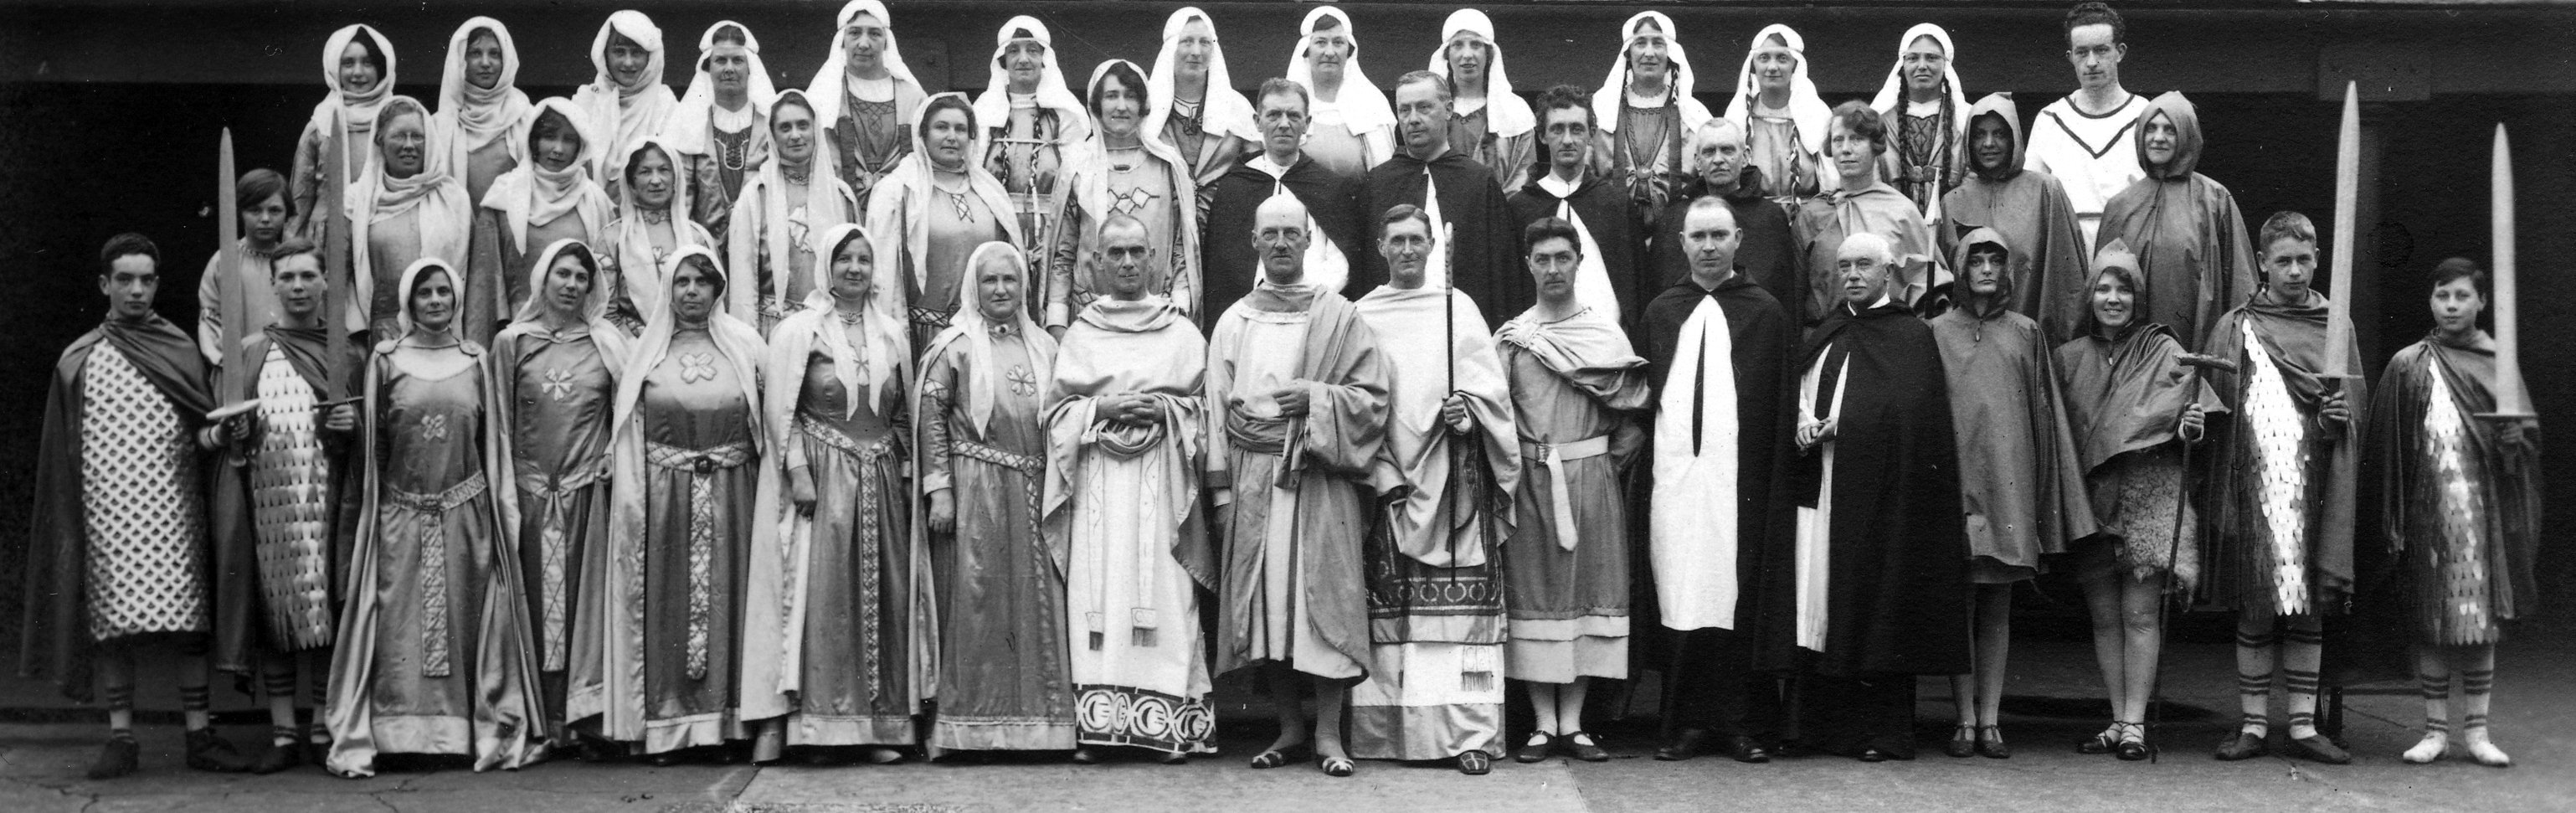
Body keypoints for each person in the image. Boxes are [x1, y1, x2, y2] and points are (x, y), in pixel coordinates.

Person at [23, 234, 255, 779]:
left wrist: (223, 437)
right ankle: (121, 736)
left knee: (190, 624)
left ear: (157, 283)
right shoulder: (78, 360)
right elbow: (64, 453)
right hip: (105, 513)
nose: (135, 289)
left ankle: (200, 734)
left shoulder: (179, 348)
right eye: (124, 279)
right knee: (112, 626)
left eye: (145, 279)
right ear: (105, 284)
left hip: (176, 510)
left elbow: (201, 435)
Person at [323, 257, 547, 777]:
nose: (435, 301)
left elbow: (491, 443)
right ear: (408, 300)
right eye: (424, 292)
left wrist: (491, 513)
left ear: (456, 297)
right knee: (398, 629)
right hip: (401, 515)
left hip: (465, 515)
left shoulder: (475, 360)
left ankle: (461, 735)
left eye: (444, 291)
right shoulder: (386, 360)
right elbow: (374, 447)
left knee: (466, 624)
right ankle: (399, 735)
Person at [1756, 233, 1971, 762]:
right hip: (1820, 489)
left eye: (1864, 265)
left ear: (1889, 272)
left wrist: (1847, 428)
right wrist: (1804, 425)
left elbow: (1911, 419)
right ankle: (1809, 729)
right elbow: (1799, 393)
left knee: (1872, 601)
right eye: (1844, 265)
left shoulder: (1910, 337)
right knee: (1818, 600)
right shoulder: (1824, 330)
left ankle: (1877, 733)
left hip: (1880, 501)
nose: (1852, 274)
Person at [1207, 193, 1391, 777]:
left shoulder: (1339, 314)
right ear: (1254, 243)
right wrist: (1220, 492)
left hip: (1320, 476)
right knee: (1271, 611)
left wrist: (1317, 399)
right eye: (1271, 234)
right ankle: (1289, 729)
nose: (1282, 242)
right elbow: (1214, 412)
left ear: (1309, 239)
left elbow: (1372, 398)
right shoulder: (1234, 320)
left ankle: (1330, 737)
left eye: (1292, 232)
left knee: (1324, 607)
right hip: (1256, 477)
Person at [584, 246, 779, 764]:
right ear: (668, 289)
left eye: (703, 282)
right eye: (682, 282)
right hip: (664, 497)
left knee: (731, 603)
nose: (692, 292)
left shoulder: (747, 346)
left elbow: (770, 426)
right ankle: (668, 729)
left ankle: (725, 727)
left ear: (719, 289)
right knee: (666, 609)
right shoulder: (645, 351)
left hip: (733, 495)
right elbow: (627, 427)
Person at [1350, 206, 1519, 775]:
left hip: (1452, 480)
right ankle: (1389, 733)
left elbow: (1491, 394)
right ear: (1379, 245)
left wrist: (1467, 413)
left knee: (1457, 621)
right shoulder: (1361, 314)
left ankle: (1468, 733)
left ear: (1431, 246)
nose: (1405, 250)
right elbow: (1354, 394)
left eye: (1415, 240)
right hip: (1390, 479)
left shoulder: (1458, 309)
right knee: (1393, 616)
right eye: (1395, 239)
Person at [1041, 214, 1217, 763]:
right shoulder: (1081, 332)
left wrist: (1165, 408)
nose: (1126, 262)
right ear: (1094, 262)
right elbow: (1054, 414)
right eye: (1114, 252)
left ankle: (1165, 727)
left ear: (1155, 259)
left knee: (1164, 594)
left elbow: (1204, 409)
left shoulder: (1182, 332)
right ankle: (1099, 729)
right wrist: (1103, 406)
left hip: (1161, 483)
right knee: (1099, 595)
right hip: (1098, 482)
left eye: (1136, 251)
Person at [2198, 212, 2366, 765]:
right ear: (2264, 263)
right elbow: (2212, 396)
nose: (2293, 270)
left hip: (2311, 481)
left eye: (2303, 259)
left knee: (2305, 603)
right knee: (2254, 601)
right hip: (2251, 478)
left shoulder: (2334, 326)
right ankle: (2250, 724)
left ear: (2317, 259)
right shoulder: (2235, 325)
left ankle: (2299, 724)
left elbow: (2352, 409)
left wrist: (2339, 416)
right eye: (2282, 261)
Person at [761, 224, 930, 764]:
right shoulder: (798, 331)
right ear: (827, 268)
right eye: (843, 260)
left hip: (879, 474)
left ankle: (879, 728)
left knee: (882, 594)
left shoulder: (892, 331)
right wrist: (797, 470)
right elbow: (781, 409)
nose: (854, 269)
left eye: (863, 259)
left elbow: (902, 409)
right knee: (827, 597)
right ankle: (822, 728)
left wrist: (905, 468)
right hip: (825, 470)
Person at [1928, 229, 2096, 759]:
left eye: (1993, 261)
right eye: (1974, 260)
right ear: (1959, 267)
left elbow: (2043, 416)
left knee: (1997, 602)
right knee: (1958, 604)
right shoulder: (1933, 332)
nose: (1984, 269)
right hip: (1954, 481)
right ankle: (1964, 716)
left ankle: (1992, 720)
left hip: (2006, 482)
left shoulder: (2026, 333)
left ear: (2007, 272)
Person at [2365, 258, 2540, 769]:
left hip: (2481, 515)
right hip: (2427, 511)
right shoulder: (2408, 364)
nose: (2452, 305)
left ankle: (2478, 732)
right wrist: (2395, 511)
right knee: (2431, 619)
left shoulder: (2496, 363)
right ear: (2431, 301)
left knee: (2478, 623)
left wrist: (2513, 443)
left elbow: (2524, 448)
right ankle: (2435, 730)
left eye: (2463, 296)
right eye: (2443, 296)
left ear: (2482, 302)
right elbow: (2388, 447)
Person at [1638, 198, 1795, 764]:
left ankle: (1742, 724)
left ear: (1737, 241)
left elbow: (1778, 407)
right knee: (1680, 587)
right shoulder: (1661, 311)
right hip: (1675, 477)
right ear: (1681, 242)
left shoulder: (1765, 312)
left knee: (1737, 591)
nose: (1708, 246)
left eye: (1718, 235)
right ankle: (1683, 722)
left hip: (1740, 481)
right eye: (1697, 236)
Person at [1496, 217, 1650, 766]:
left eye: (1563, 257)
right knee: (1537, 592)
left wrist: (1610, 452)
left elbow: (1631, 409)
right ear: (1529, 264)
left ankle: (1575, 721)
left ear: (1578, 261)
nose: (1554, 268)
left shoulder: (1602, 332)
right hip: (1532, 483)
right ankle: (1542, 723)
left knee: (1587, 590)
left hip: (1589, 480)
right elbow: (1497, 415)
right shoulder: (1513, 337)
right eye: (1543, 258)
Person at [2054, 241, 2215, 762]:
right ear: (2090, 296)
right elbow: (2063, 433)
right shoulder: (2069, 359)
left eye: (2124, 288)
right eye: (2103, 287)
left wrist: (2192, 427)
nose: (2113, 297)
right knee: (2104, 618)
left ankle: (2135, 725)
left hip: (2150, 493)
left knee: (2140, 615)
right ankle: (2117, 718)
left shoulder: (2165, 351)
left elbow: (2190, 423)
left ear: (2138, 295)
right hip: (2093, 497)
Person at [209, 239, 365, 774]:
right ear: (272, 286)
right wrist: (235, 432)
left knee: (327, 611)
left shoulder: (350, 352)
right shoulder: (250, 351)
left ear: (326, 283)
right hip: (267, 495)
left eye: (307, 276)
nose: (298, 287)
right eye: (288, 278)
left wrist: (355, 429)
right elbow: (220, 434)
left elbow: (374, 435)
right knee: (276, 612)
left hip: (328, 497)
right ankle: (282, 733)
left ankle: (322, 725)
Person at [917, 242, 1076, 755]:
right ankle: (969, 728)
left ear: (1023, 286)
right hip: (976, 487)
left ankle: (1039, 728)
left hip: (1033, 488)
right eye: (990, 281)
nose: (1001, 289)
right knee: (978, 602)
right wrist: (939, 488)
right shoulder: (954, 346)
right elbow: (931, 420)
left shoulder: (1046, 348)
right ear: (974, 287)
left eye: (1010, 280)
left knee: (1035, 606)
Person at [491, 239, 630, 756]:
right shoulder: (513, 342)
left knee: (584, 609)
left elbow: (626, 413)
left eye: (582, 278)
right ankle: (537, 719)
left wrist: (612, 458)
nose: (572, 285)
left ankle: (582, 721)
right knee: (530, 606)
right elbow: (501, 422)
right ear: (543, 278)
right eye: (563, 275)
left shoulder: (607, 343)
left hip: (587, 496)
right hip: (527, 495)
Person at [1358, 70, 1526, 326]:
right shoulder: (1379, 182)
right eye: (1405, 110)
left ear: (1448, 110)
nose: (1413, 119)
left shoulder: (1479, 182)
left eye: (1424, 107)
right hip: (1393, 322)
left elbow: (1502, 273)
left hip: (1462, 323)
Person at [2094, 91, 2257, 352]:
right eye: (2152, 129)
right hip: (2133, 351)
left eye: (2170, 130)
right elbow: (2101, 287)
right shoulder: (2120, 205)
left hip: (2199, 344)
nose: (2159, 138)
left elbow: (2240, 284)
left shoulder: (2215, 200)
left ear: (2187, 135)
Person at [1048, 60, 1202, 331]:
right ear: (1096, 104)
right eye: (1111, 96)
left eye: (1131, 96)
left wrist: (1181, 314)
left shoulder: (1168, 166)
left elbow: (1181, 250)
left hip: (1158, 318)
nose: (1121, 106)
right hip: (1090, 320)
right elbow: (1063, 253)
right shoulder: (1077, 166)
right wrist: (1057, 324)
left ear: (1143, 105)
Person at [1200, 78, 1366, 320]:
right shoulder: (1234, 187)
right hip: (1250, 315)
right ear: (1257, 122)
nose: (1284, 124)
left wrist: (1303, 298)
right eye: (1274, 115)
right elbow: (1222, 268)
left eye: (1294, 116)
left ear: (1307, 123)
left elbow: (1341, 261)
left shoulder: (1330, 186)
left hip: (1314, 311)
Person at [866, 92, 1021, 351]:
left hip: (982, 336)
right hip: (921, 336)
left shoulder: (990, 192)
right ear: (922, 133)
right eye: (941, 127)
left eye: (961, 129)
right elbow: (883, 276)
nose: (952, 136)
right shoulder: (896, 191)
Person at [1944, 93, 2090, 344]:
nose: (1988, 143)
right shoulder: (1954, 201)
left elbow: (2067, 279)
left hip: (2032, 338)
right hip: (1971, 343)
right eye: (1979, 134)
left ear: (2015, 137)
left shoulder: (2045, 191)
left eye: (1999, 133)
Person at [1508, 85, 1648, 332]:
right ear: (1542, 136)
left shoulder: (1615, 203)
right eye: (1557, 129)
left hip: (1607, 341)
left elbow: (1635, 287)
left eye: (1577, 129)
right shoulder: (1521, 207)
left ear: (1591, 134)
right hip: (1541, 342)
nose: (1568, 140)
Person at [1795, 101, 1943, 325]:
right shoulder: (1812, 214)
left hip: (1888, 335)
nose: (1846, 149)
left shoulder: (1901, 211)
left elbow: (1928, 283)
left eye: (1856, 139)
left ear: (1875, 145)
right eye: (1838, 140)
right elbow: (1797, 291)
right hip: (1827, 334)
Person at [342, 95, 476, 343]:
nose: (409, 145)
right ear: (379, 140)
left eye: (417, 136)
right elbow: (343, 276)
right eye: (398, 136)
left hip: (443, 334)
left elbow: (474, 277)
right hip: (378, 335)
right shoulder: (356, 201)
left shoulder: (454, 199)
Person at [729, 90, 861, 336]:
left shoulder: (841, 196)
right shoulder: (756, 196)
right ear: (773, 136)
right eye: (785, 128)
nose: (796, 136)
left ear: (815, 130)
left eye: (803, 126)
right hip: (775, 328)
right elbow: (742, 280)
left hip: (831, 329)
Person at [470, 97, 611, 327]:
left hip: (579, 332)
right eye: (549, 137)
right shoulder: (503, 196)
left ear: (580, 146)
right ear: (533, 141)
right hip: (520, 330)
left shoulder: (595, 200)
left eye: (569, 140)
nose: (558, 149)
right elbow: (484, 286)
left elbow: (606, 279)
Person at [2027, 2, 2152, 246]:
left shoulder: (2146, 115)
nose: (2092, 61)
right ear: (2071, 57)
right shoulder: (2050, 119)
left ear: (2120, 52)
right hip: (2065, 246)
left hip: (2133, 242)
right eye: (2082, 52)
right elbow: (2032, 200)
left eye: (2102, 50)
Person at [1648, 120, 1803, 314]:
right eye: (1709, 151)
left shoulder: (1769, 217)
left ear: (1746, 156)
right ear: (1697, 161)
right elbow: (1661, 293)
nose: (1718, 159)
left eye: (1727, 150)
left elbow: (1784, 294)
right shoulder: (1674, 218)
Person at [974, 17, 1091, 261]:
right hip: (994, 231)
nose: (1023, 58)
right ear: (1003, 60)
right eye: (1014, 50)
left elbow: (1077, 184)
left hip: (1055, 233)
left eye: (1032, 50)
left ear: (1044, 59)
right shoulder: (984, 112)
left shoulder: (1065, 115)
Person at [1591, 12, 1713, 223]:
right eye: (1640, 43)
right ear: (1628, 54)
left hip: (1679, 228)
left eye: (1658, 43)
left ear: (1670, 54)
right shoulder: (1602, 108)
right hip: (1613, 226)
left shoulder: (1693, 112)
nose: (1649, 53)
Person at [664, 21, 776, 246]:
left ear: (750, 67)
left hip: (763, 249)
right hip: (705, 250)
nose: (729, 68)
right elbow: (682, 201)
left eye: (737, 60)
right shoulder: (691, 124)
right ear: (708, 67)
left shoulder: (771, 124)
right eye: (720, 60)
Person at [810, 0, 925, 208]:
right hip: (840, 207)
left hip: (900, 209)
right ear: (842, 40)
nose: (864, 43)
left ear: (886, 41)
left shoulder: (913, 97)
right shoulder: (825, 94)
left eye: (874, 33)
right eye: (855, 33)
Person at [602, 137, 721, 335]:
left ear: (676, 179)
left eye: (664, 170)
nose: (656, 180)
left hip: (691, 342)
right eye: (645, 172)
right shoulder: (612, 238)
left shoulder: (698, 238)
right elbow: (605, 313)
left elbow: (714, 306)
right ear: (631, 183)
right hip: (630, 347)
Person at [291, 23, 395, 244]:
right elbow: (301, 195)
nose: (358, 72)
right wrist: (294, 248)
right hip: (329, 236)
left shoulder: (397, 118)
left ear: (381, 68)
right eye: (348, 63)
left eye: (367, 63)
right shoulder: (320, 124)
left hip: (382, 229)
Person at [1144, 8, 1258, 194]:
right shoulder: (1146, 105)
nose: (1196, 51)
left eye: (1205, 42)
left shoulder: (1237, 106)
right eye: (1187, 42)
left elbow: (1256, 170)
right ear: (1171, 48)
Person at [572, 10, 677, 203]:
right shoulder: (585, 101)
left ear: (650, 57)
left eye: (637, 52)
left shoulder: (666, 106)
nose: (628, 62)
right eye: (619, 51)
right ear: (604, 54)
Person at [1867, 24, 1969, 222]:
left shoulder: (1965, 118)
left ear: (1946, 65)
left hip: (1954, 226)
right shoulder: (1880, 121)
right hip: (1891, 224)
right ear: (1902, 65)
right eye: (1913, 58)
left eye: (1931, 58)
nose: (1922, 65)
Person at [1720, 24, 1830, 204]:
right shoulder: (1738, 117)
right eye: (1764, 58)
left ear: (1794, 64)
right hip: (1752, 216)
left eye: (1782, 58)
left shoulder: (1816, 115)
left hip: (1807, 216)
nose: (1772, 67)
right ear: (1753, 65)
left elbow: (1832, 180)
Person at [1428, 10, 1535, 196]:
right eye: (1458, 45)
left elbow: (1522, 180)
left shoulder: (1515, 111)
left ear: (1489, 54)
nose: (1467, 54)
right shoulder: (1431, 111)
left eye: (1476, 45)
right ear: (1447, 55)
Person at [1283, 6, 1394, 179]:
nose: (1329, 52)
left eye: (1338, 42)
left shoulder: (1372, 102)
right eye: (1320, 42)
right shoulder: (1289, 103)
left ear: (1348, 50)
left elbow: (1384, 171)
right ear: (1307, 50)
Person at [433, 18, 532, 208]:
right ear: (462, 60)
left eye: (494, 54)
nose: (486, 62)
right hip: (459, 230)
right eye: (475, 53)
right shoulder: (439, 125)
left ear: (507, 60)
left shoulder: (527, 118)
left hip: (510, 231)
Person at [198, 168, 294, 364]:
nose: (265, 218)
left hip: (287, 367)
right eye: (255, 210)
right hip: (238, 367)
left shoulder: (294, 261)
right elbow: (211, 320)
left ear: (287, 213)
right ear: (240, 212)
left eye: (274, 210)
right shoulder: (224, 261)